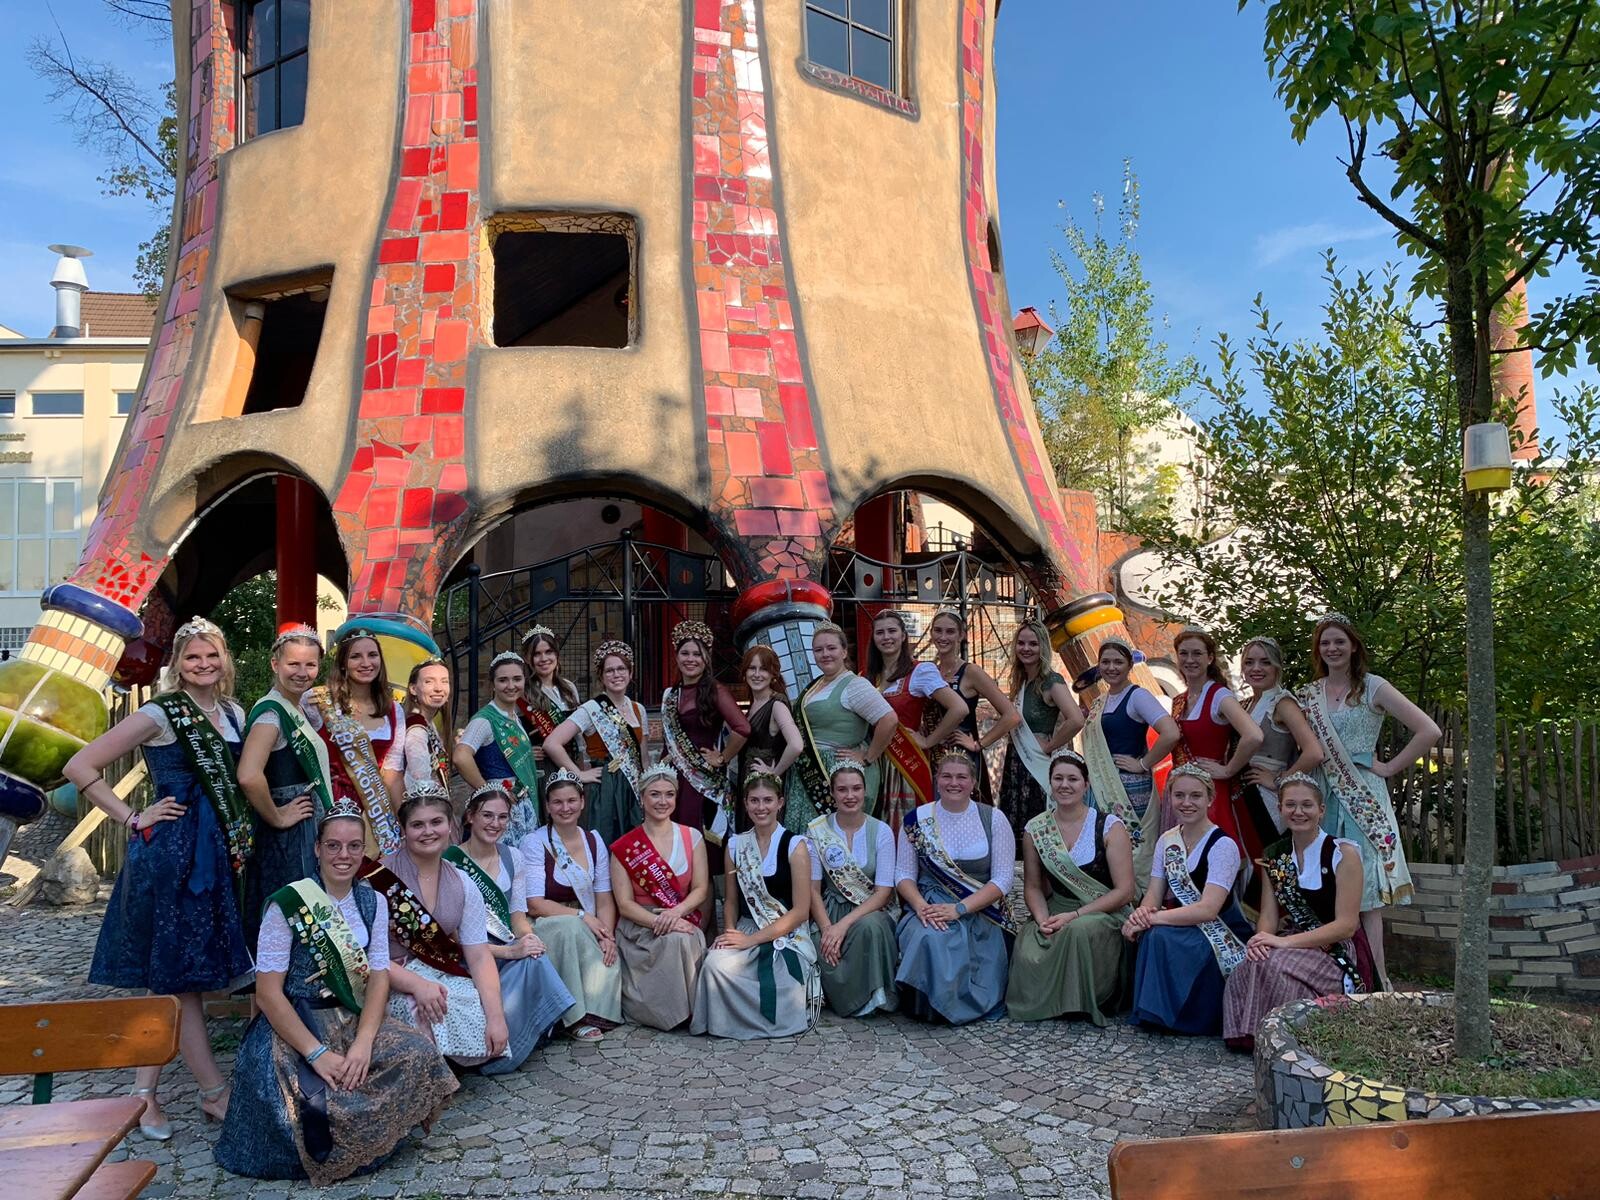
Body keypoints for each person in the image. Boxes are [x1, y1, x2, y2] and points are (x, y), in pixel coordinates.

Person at [67, 616, 254, 1138]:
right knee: (179, 975)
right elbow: (80, 767)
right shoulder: (160, 713)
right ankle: (213, 1092)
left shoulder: (234, 713)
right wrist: (132, 817)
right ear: (178, 663)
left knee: (174, 972)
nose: (203, 664)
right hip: (173, 855)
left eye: (212, 655)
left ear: (224, 659)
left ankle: (144, 1094)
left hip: (216, 854)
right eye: (193, 656)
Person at [214, 807, 457, 1184]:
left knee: (418, 1053)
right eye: (333, 846)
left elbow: (378, 977)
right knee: (310, 1096)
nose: (344, 855)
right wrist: (317, 1054)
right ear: (317, 849)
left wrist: (364, 1042)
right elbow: (268, 995)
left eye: (354, 846)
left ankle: (372, 1137)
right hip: (296, 1024)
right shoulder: (287, 904)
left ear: (363, 850)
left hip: (349, 1016)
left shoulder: (373, 901)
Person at [1300, 613, 1440, 988]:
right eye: (1325, 643)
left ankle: (1378, 979)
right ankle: (1332, 977)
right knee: (1325, 885)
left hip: (1362, 796)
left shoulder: (1374, 687)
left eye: (1339, 641)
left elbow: (1429, 730)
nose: (1332, 648)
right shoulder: (1309, 694)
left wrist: (1390, 766)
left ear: (1353, 646)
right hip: (1322, 795)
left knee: (1366, 894)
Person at [1223, 774, 1375, 1050]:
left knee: (1276, 965)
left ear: (1321, 810)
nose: (1298, 811)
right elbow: (1268, 916)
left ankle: (1287, 1037)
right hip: (1294, 941)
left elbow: (1346, 925)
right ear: (1280, 809)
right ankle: (1255, 1037)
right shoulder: (1274, 855)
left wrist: (1282, 943)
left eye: (1307, 805)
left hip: (1335, 949)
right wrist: (1262, 941)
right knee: (1248, 966)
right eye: (1290, 805)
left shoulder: (1343, 854)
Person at [365, 786, 513, 1068]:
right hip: (387, 978)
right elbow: (363, 956)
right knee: (418, 1007)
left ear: (450, 826)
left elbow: (479, 955)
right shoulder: (376, 881)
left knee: (471, 1000)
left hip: (441, 970)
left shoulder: (462, 882)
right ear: (403, 830)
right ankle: (426, 1077)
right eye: (417, 825)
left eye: (436, 822)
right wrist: (417, 985)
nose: (428, 832)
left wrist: (496, 1017)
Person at [444, 782, 574, 1068]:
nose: (495, 823)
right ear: (470, 816)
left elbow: (517, 917)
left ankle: (516, 1042)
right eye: (487, 815)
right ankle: (502, 1053)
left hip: (505, 943)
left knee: (536, 956)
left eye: (502, 817)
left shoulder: (513, 857)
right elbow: (452, 938)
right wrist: (510, 952)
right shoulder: (450, 863)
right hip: (472, 956)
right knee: (531, 963)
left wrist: (527, 939)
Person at [1123, 764, 1254, 1036]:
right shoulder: (1166, 840)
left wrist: (1154, 918)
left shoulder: (1223, 845)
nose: (1186, 803)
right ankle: (1155, 1013)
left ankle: (1184, 1016)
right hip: (1185, 922)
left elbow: (1208, 909)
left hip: (1219, 932)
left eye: (1195, 796)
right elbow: (1154, 893)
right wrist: (1142, 915)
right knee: (1149, 933)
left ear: (1210, 799)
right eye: (1179, 795)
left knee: (1159, 934)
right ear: (1170, 798)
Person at [1007, 749, 1136, 1026]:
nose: (1065, 785)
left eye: (1073, 779)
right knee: (1029, 943)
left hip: (1102, 911)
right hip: (1057, 908)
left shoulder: (1109, 826)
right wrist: (1043, 920)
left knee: (1077, 931)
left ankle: (1080, 1002)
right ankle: (1049, 1004)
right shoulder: (1036, 829)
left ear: (1086, 784)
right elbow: (1032, 887)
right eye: (1058, 778)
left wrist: (1075, 915)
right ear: (1050, 782)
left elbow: (1125, 891)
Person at [692, 773, 821, 1039]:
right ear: (746, 803)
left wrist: (752, 940)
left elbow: (800, 911)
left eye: (767, 800)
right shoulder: (735, 846)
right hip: (747, 926)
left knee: (786, 985)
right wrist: (730, 934)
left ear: (780, 803)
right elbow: (731, 900)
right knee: (715, 966)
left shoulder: (796, 846)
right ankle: (726, 1024)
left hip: (787, 934)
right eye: (754, 800)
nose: (761, 807)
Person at [894, 751, 1016, 1024]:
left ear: (973, 782)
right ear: (937, 781)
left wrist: (959, 909)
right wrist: (920, 907)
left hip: (979, 908)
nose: (954, 783)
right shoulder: (916, 820)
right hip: (930, 904)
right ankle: (929, 1007)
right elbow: (903, 874)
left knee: (967, 942)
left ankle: (961, 1004)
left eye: (961, 777)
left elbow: (1002, 880)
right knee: (929, 936)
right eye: (946, 776)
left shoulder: (994, 819)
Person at [239, 624, 332, 949]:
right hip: (289, 837)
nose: (302, 672)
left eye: (310, 664)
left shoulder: (295, 706)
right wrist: (278, 816)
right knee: (292, 914)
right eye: (293, 664)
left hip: (302, 827)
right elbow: (249, 775)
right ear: (275, 664)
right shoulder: (271, 713)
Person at [522, 771, 623, 1041]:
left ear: (582, 802)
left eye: (571, 801)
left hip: (587, 920)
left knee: (606, 953)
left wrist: (607, 935)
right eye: (557, 802)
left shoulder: (594, 840)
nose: (565, 808)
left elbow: (604, 897)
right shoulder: (534, 843)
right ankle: (576, 1018)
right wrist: (582, 916)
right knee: (570, 928)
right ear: (547, 806)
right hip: (548, 923)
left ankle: (599, 1013)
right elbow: (534, 904)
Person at [607, 765, 709, 1030]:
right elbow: (625, 905)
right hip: (640, 926)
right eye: (654, 794)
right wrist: (661, 921)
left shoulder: (693, 837)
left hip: (681, 915)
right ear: (642, 798)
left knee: (684, 938)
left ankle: (689, 1011)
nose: (662, 801)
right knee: (678, 939)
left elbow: (701, 888)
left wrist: (675, 913)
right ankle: (665, 1012)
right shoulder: (624, 847)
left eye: (669, 794)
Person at [660, 620, 750, 908]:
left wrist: (722, 757)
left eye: (697, 654)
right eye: (685, 653)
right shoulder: (671, 695)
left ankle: (706, 927)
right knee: (678, 855)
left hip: (703, 788)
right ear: (676, 656)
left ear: (706, 658)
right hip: (676, 783)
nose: (691, 659)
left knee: (701, 861)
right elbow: (668, 743)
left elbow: (742, 728)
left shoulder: (715, 690)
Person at [1081, 637, 1181, 883]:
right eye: (1106, 662)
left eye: (1118, 662)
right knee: (1109, 844)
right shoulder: (1100, 701)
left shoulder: (1138, 696)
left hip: (1132, 789)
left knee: (1133, 845)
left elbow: (1171, 732)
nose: (1111, 667)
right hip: (1103, 786)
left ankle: (1140, 895)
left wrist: (1143, 763)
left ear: (1129, 665)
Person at [807, 761, 899, 1017]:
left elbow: (883, 892)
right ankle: (846, 999)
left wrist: (842, 926)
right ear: (832, 793)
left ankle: (875, 995)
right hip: (830, 910)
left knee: (870, 927)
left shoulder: (881, 831)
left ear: (865, 790)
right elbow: (812, 889)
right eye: (842, 789)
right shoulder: (817, 830)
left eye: (856, 788)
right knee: (819, 942)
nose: (850, 796)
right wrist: (827, 928)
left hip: (870, 909)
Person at [303, 629, 405, 858]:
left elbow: (393, 774)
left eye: (372, 655)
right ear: (343, 663)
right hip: (330, 805)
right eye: (356, 656)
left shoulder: (394, 710)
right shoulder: (317, 702)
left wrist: (404, 819)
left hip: (376, 810)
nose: (366, 663)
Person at [867, 610, 969, 835]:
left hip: (904, 764)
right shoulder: (869, 676)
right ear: (873, 638)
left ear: (903, 635)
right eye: (880, 633)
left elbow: (959, 708)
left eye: (892, 631)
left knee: (906, 829)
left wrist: (928, 741)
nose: (886, 637)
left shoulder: (919, 671)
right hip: (876, 762)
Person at [1169, 627, 1266, 858]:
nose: (1189, 660)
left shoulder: (1219, 695)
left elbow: (1254, 735)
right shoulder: (1180, 699)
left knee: (1213, 854)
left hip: (1211, 791)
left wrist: (1227, 770)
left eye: (1197, 653)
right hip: (1183, 791)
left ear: (1210, 658)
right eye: (1184, 654)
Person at [543, 640, 649, 847]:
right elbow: (552, 743)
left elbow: (643, 757)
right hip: (605, 788)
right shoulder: (590, 709)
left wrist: (647, 788)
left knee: (635, 845)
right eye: (609, 670)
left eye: (621, 669)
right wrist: (579, 774)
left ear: (630, 673)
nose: (616, 675)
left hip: (633, 787)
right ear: (601, 676)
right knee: (606, 842)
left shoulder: (639, 709)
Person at [793, 622, 898, 821]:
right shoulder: (816, 685)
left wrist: (867, 757)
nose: (825, 654)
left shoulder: (855, 685)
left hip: (837, 774)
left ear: (844, 652)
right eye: (818, 650)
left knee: (836, 833)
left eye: (831, 648)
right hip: (809, 772)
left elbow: (889, 720)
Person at [998, 618, 1085, 836]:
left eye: (1033, 644)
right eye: (1021, 643)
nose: (1026, 648)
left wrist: (1050, 745)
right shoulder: (1021, 680)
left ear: (1043, 647)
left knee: (1036, 824)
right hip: (1016, 760)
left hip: (1037, 762)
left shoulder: (1050, 681)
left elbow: (1076, 719)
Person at [927, 608, 1021, 805]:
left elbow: (1011, 716)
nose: (943, 637)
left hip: (961, 757)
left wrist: (979, 744)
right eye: (938, 630)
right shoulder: (929, 671)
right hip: (931, 756)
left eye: (950, 631)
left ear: (961, 635)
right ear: (931, 633)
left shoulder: (970, 672)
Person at [1238, 636, 1324, 840]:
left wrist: (1280, 780)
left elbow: (1314, 753)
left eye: (1265, 662)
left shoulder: (1283, 704)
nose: (1256, 668)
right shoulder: (1244, 704)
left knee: (1265, 854)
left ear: (1277, 666)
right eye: (1249, 662)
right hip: (1242, 792)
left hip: (1266, 799)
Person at [453, 652, 541, 845]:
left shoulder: (513, 716)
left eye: (517, 679)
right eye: (503, 680)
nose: (511, 685)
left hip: (519, 806)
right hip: (498, 811)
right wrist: (488, 790)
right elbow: (461, 757)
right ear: (492, 684)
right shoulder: (484, 720)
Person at [732, 644, 807, 833]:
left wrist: (774, 772)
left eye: (763, 669)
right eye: (752, 668)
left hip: (765, 792)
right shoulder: (755, 703)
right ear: (744, 672)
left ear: (773, 674)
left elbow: (796, 745)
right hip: (750, 787)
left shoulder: (777, 704)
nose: (757, 674)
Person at [382, 659, 453, 795]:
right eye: (429, 681)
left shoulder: (428, 723)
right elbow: (421, 782)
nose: (438, 688)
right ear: (413, 689)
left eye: (444, 681)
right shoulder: (416, 728)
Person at [521, 625, 583, 764]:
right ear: (527, 658)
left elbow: (578, 736)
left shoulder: (569, 688)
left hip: (571, 762)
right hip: (541, 766)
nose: (544, 658)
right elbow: (506, 731)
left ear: (556, 654)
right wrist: (523, 750)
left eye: (549, 652)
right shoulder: (522, 692)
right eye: (536, 654)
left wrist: (582, 764)